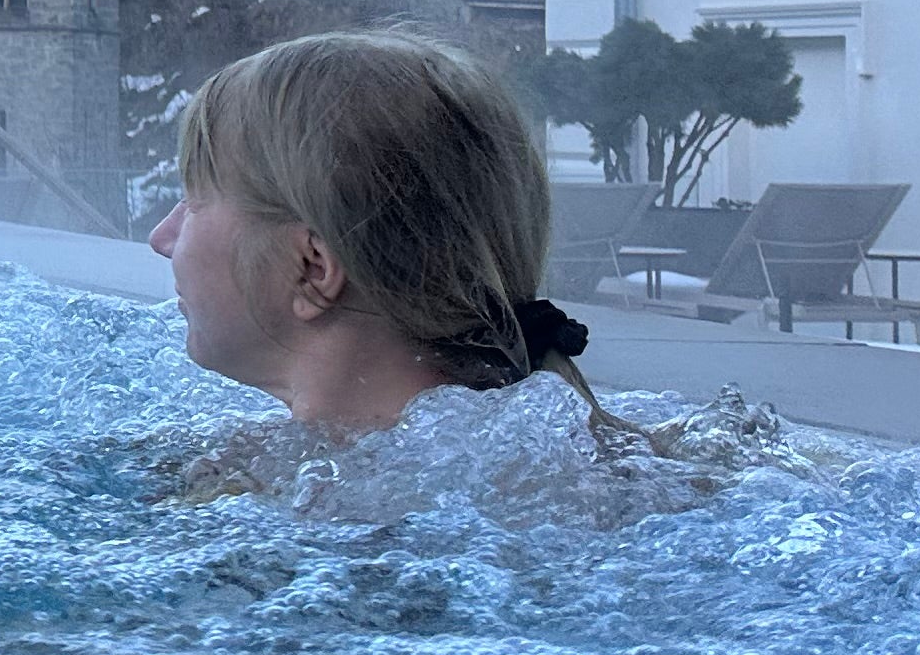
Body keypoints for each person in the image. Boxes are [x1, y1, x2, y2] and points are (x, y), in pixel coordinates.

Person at [146, 29, 608, 436]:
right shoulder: (564, 461)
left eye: (194, 201)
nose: (161, 237)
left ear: (311, 268)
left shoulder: (314, 503)